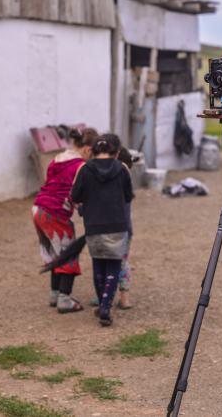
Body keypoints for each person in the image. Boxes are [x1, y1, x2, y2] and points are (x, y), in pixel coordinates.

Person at [32, 128, 99, 313]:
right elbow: (80, 192)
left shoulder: (58, 158)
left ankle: (54, 294)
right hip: (55, 213)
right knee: (68, 253)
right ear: (88, 150)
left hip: (38, 209)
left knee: (55, 253)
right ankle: (64, 299)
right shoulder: (81, 166)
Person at [71, 134, 133, 326]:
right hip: (117, 225)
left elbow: (75, 195)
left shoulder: (84, 168)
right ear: (118, 153)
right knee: (114, 265)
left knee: (98, 264)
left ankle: (102, 305)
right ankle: (106, 306)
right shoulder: (122, 168)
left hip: (93, 225)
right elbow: (128, 196)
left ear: (93, 151)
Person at [90, 146, 135, 310]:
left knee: (106, 262)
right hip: (125, 230)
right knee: (121, 262)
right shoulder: (126, 181)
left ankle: (106, 298)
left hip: (116, 229)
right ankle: (122, 298)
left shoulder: (117, 183)